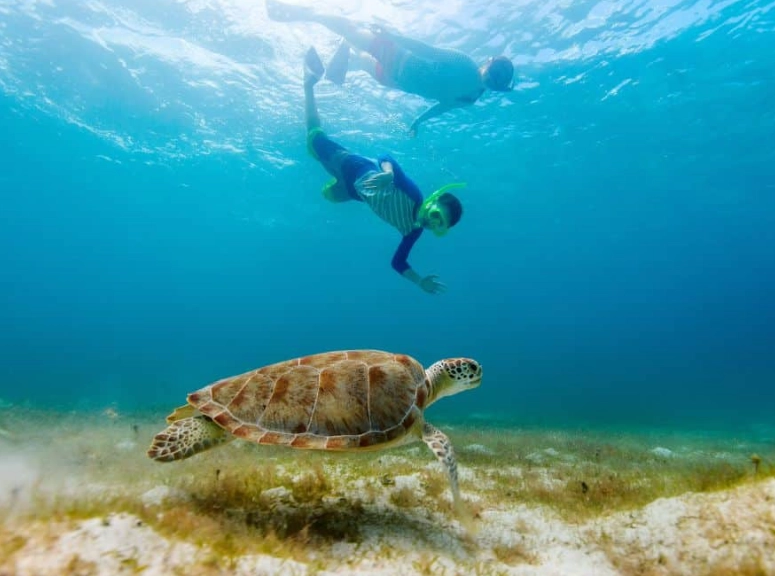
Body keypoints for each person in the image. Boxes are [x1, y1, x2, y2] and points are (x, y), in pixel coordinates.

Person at [302, 47, 464, 294]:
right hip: (353, 167)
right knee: (313, 140)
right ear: (431, 203)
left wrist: (420, 281)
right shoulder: (412, 193)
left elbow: (397, 263)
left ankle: (332, 181)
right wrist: (388, 174)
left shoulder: (413, 232)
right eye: (435, 215)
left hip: (353, 192)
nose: (431, 222)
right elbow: (384, 156)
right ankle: (310, 83)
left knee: (328, 196)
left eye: (438, 224)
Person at [267, 0, 514, 135]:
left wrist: (418, 122)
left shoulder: (469, 98)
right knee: (353, 32)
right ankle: (306, 12)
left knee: (360, 62)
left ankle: (347, 50)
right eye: (496, 71)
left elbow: (440, 108)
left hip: (394, 80)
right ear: (488, 63)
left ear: (500, 87)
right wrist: (393, 36)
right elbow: (425, 50)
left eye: (499, 80)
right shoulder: (463, 63)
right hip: (399, 56)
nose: (494, 78)